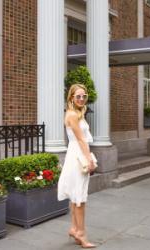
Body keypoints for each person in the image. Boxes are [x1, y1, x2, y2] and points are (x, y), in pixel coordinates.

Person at [58, 83, 96, 248]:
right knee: (80, 198)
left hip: (76, 154)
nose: (81, 99)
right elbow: (81, 139)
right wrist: (90, 160)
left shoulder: (77, 113)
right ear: (71, 98)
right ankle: (81, 234)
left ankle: (74, 229)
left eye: (84, 96)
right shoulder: (73, 115)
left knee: (76, 197)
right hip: (78, 156)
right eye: (78, 96)